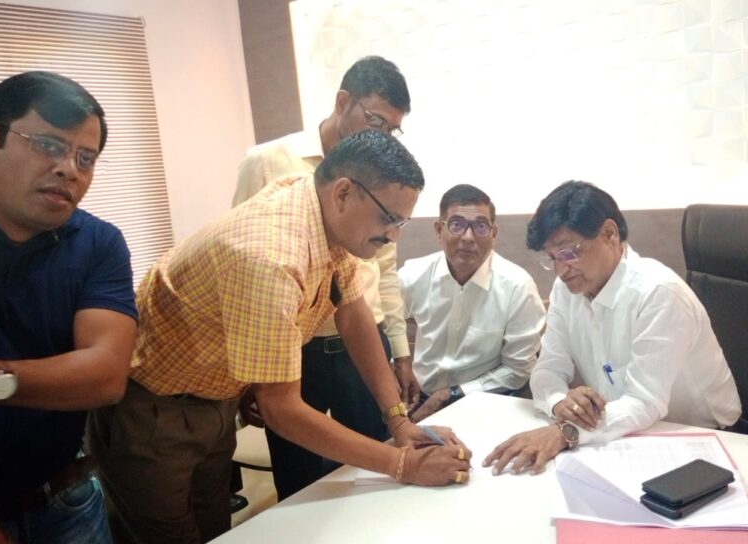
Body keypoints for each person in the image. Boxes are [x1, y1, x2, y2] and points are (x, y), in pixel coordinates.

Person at [89, 130, 472, 544]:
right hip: (153, 410)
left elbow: (352, 311)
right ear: (343, 193)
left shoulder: (316, 207)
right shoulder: (270, 256)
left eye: (400, 223)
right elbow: (281, 409)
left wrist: (398, 420)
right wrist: (403, 465)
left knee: (215, 530)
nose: (393, 235)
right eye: (388, 219)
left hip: (214, 400)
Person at [0, 71, 137, 542]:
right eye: (47, 145)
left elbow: (105, 375)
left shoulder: (98, 243)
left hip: (65, 497)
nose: (69, 170)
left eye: (86, 158)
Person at [233, 55, 416, 500]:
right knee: (298, 471)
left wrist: (399, 352)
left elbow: (383, 269)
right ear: (342, 102)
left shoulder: (382, 176)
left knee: (375, 470)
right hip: (295, 347)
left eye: (392, 129)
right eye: (375, 120)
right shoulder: (269, 162)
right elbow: (242, 268)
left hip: (361, 336)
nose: (381, 136)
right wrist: (248, 377)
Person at [484, 181, 741, 475]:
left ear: (609, 234)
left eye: (568, 253)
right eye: (552, 258)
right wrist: (560, 403)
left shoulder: (659, 292)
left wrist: (565, 432)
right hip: (623, 432)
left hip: (705, 439)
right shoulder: (566, 290)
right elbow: (548, 369)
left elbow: (644, 402)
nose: (560, 270)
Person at [398, 184, 545, 422]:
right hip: (419, 397)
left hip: (487, 401)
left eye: (480, 226)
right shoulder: (413, 275)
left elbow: (518, 370)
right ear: (439, 230)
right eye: (456, 225)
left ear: (493, 234)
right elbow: (384, 327)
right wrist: (398, 364)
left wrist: (453, 393)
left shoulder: (518, 287)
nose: (468, 237)